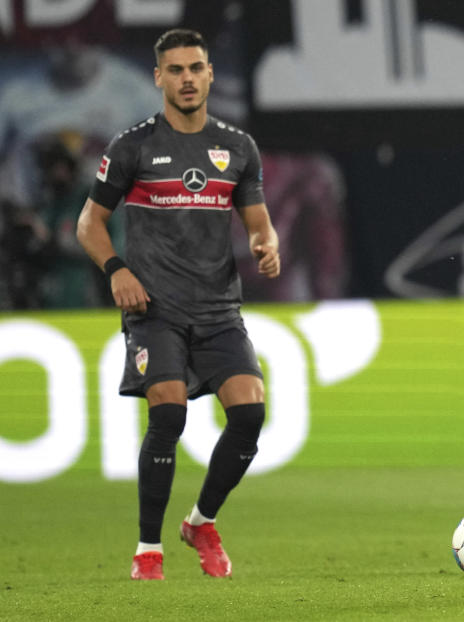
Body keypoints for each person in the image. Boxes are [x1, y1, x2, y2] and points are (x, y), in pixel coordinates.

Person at [76, 29, 280, 581]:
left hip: (218, 308)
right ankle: (148, 549)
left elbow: (256, 219)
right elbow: (89, 222)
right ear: (158, 78)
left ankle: (201, 522)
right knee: (168, 412)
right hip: (155, 307)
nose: (186, 78)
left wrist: (266, 244)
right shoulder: (132, 147)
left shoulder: (238, 147)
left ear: (210, 74)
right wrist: (116, 270)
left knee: (250, 412)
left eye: (196, 68)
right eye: (176, 70)